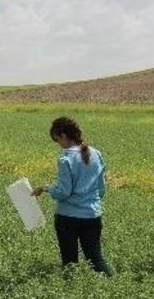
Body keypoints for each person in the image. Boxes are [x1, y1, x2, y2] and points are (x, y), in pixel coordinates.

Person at [32, 117, 112, 276]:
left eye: (57, 139)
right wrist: (91, 202)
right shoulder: (96, 153)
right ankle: (113, 285)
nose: (58, 144)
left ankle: (71, 290)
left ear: (62, 135)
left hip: (68, 217)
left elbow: (64, 191)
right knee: (96, 258)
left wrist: (45, 188)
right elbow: (101, 187)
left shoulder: (66, 158)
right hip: (92, 214)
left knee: (70, 262)